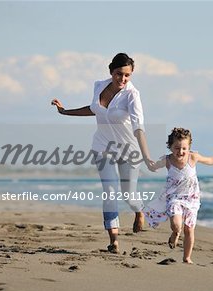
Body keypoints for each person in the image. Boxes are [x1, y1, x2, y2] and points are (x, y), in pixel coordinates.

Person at [51, 53, 155, 254]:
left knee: (128, 195)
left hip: (128, 148)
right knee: (110, 192)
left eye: (127, 75)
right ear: (111, 71)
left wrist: (147, 155)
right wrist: (65, 112)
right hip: (102, 146)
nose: (123, 79)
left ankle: (139, 210)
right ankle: (114, 240)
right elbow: (94, 110)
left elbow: (138, 127)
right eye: (119, 74)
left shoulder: (132, 95)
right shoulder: (99, 85)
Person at [143, 127, 213, 264]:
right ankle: (175, 233)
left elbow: (210, 160)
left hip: (192, 199)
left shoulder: (193, 157)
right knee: (177, 225)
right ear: (170, 147)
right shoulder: (167, 160)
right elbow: (154, 166)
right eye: (177, 148)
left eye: (184, 148)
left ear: (189, 147)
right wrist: (149, 163)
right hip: (174, 198)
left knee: (189, 229)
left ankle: (187, 257)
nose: (181, 152)